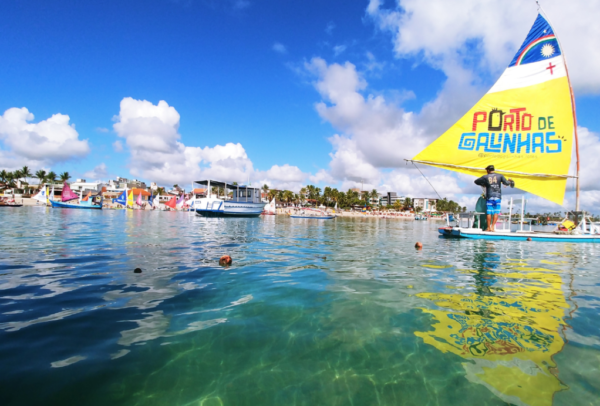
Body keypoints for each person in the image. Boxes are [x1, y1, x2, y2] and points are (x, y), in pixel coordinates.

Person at [474, 165, 514, 232]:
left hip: (489, 196)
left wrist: (484, 183)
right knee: (496, 212)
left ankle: (488, 228)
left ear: (488, 170)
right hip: (497, 196)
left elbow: (476, 181)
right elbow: (506, 183)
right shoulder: (500, 176)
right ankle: (493, 227)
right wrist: (510, 181)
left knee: (489, 212)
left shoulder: (485, 176)